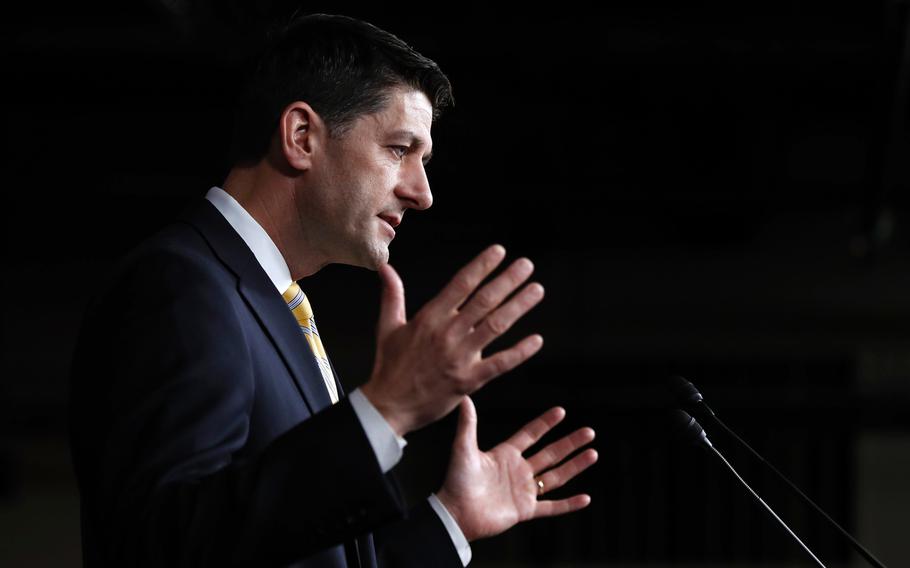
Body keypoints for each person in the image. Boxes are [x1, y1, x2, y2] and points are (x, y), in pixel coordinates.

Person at [69, 13, 598, 567]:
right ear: (301, 137)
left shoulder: (275, 304)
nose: (423, 194)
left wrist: (452, 520)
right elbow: (164, 545)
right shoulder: (180, 285)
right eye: (400, 149)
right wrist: (386, 409)